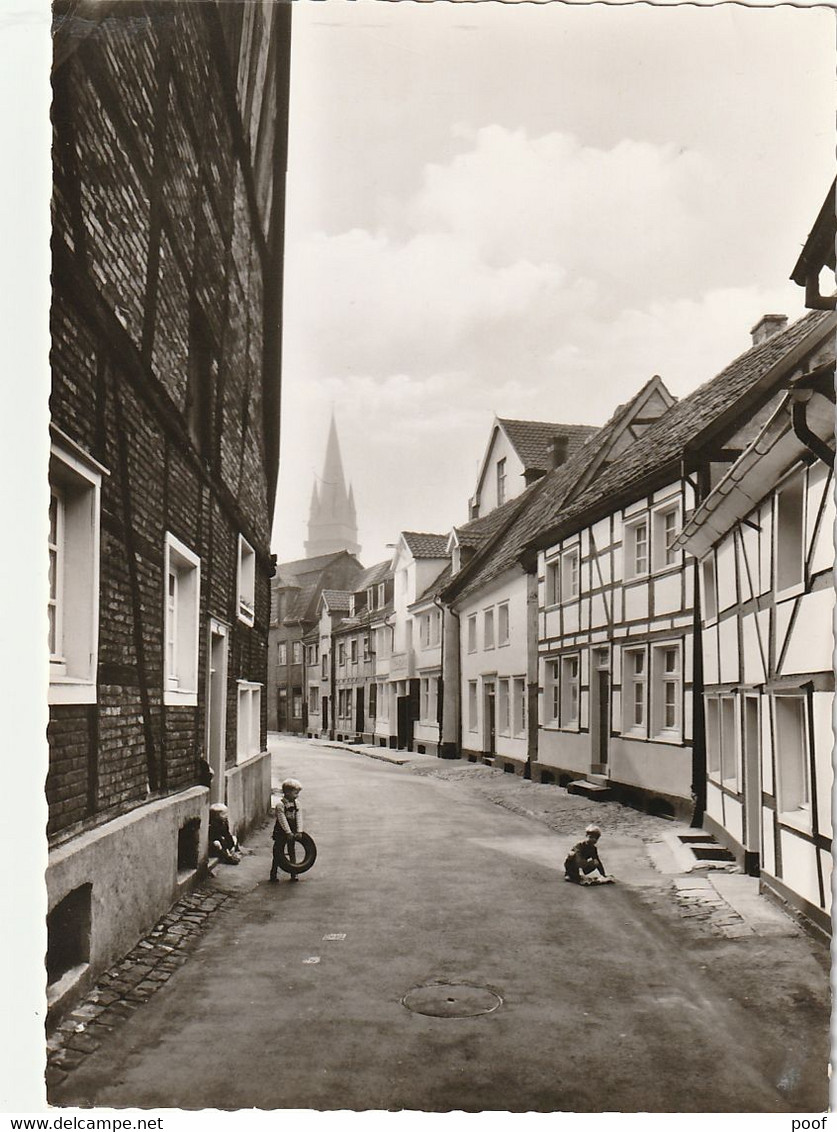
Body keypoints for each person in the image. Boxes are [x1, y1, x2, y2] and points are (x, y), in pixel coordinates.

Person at [270, 778, 304, 882]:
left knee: (291, 850)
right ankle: (273, 873)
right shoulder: (280, 805)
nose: (297, 795)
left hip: (292, 828)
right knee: (278, 852)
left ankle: (294, 872)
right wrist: (287, 832)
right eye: (295, 793)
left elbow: (299, 816)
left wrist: (299, 830)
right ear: (287, 792)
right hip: (281, 830)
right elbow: (282, 819)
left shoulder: (296, 804)